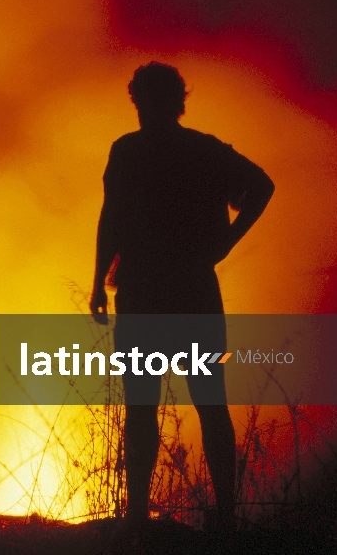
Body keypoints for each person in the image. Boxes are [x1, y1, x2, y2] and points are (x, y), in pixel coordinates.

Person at [90, 62, 274, 530]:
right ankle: (226, 517)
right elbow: (262, 186)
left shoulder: (128, 151)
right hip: (192, 289)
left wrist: (98, 283)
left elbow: (111, 218)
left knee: (143, 406)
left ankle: (135, 518)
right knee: (208, 402)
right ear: (179, 101)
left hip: (144, 290)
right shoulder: (204, 150)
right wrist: (227, 242)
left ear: (142, 101)